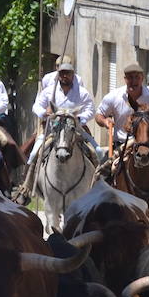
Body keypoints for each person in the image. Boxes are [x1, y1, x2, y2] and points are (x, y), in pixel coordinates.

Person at [13, 58, 97, 203]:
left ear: (73, 74)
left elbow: (91, 109)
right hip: (53, 130)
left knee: (97, 151)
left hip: (75, 129)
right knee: (34, 153)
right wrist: (44, 113)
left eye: (68, 73)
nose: (65, 76)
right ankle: (25, 188)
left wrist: (80, 118)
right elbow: (36, 106)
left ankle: (98, 187)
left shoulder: (82, 92)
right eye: (62, 73)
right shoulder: (49, 92)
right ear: (58, 74)